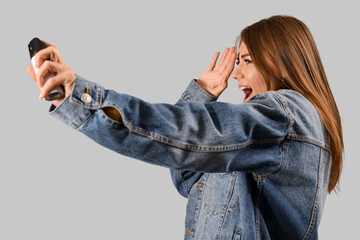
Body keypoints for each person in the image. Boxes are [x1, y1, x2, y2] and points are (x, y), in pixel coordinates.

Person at [27, 15, 343, 240]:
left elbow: (187, 136)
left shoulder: (285, 114)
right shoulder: (263, 135)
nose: (236, 74)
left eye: (246, 60)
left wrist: (80, 95)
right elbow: (185, 172)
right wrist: (200, 95)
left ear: (279, 60)